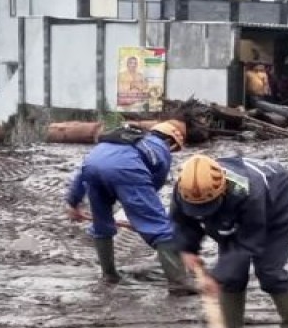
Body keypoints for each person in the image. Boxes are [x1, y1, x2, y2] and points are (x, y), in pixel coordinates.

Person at [170, 155, 288, 328]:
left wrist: (216, 277)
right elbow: (182, 222)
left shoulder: (249, 191)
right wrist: (187, 249)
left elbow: (249, 242)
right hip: (231, 205)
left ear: (221, 188)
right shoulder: (185, 187)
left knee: (269, 271)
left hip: (278, 202)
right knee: (232, 277)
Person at [65, 121, 195, 295]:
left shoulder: (118, 140)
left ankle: (109, 275)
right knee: (161, 228)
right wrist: (141, 215)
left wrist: (73, 202)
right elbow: (151, 187)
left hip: (92, 166)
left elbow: (82, 173)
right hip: (126, 170)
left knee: (101, 224)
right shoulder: (160, 147)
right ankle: (180, 284)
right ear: (171, 142)